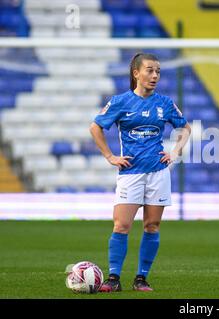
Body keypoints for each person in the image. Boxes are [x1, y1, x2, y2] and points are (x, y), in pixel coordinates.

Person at [89, 52, 191, 292]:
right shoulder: (120, 102)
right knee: (121, 225)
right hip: (131, 173)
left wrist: (174, 152)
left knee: (152, 226)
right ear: (136, 73)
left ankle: (141, 278)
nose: (154, 75)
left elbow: (185, 128)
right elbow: (95, 128)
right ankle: (113, 278)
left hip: (158, 173)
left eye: (157, 71)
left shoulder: (164, 103)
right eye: (149, 70)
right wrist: (110, 156)